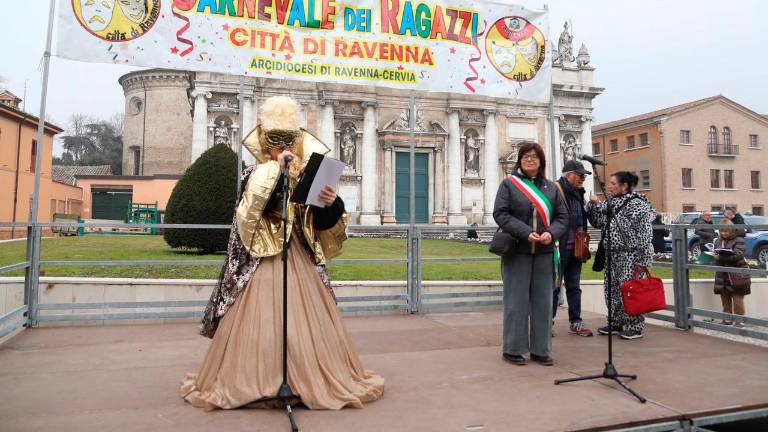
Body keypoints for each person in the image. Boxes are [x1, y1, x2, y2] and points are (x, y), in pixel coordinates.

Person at [181, 96, 384, 410]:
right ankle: (259, 380)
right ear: (266, 148)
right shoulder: (255, 175)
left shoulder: (306, 177)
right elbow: (250, 214)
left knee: (307, 329)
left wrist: (330, 202)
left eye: (287, 145)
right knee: (262, 327)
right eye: (276, 147)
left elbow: (321, 222)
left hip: (299, 261)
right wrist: (274, 173)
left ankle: (307, 378)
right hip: (263, 263)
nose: (283, 152)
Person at [493, 142, 568, 365]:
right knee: (516, 303)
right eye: (525, 156)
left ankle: (541, 350)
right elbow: (501, 214)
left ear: (541, 161)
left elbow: (563, 218)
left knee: (543, 303)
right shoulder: (509, 185)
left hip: (544, 253)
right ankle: (513, 349)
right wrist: (526, 233)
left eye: (534, 156)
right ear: (520, 160)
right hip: (518, 251)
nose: (529, 160)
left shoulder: (552, 188)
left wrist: (550, 233)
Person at [587, 171, 654, 340]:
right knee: (612, 290)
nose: (609, 187)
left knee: (630, 290)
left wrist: (644, 259)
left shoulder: (637, 204)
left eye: (612, 183)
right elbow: (597, 222)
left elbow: (645, 233)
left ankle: (634, 325)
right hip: (612, 254)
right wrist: (593, 206)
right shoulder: (609, 204)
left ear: (624, 186)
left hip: (630, 254)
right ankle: (616, 321)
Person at [552, 160, 594, 337]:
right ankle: (547, 322)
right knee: (553, 286)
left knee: (574, 287)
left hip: (577, 248)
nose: (583, 179)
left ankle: (575, 322)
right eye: (580, 175)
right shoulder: (555, 190)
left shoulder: (579, 193)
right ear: (568, 174)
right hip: (559, 248)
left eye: (584, 175)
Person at [712, 219, 751, 327]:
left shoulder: (739, 240)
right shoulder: (717, 240)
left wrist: (721, 256)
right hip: (722, 272)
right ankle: (727, 319)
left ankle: (740, 320)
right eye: (722, 231)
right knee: (725, 296)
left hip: (737, 273)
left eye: (726, 231)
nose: (724, 233)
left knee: (737, 297)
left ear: (732, 230)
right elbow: (716, 254)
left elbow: (738, 255)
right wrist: (714, 256)